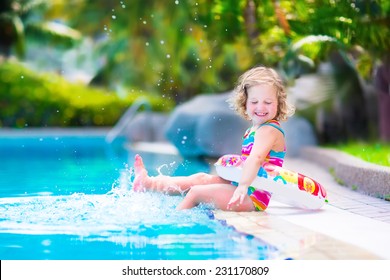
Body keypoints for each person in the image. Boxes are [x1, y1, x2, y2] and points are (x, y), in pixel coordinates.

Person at [132, 66, 295, 211]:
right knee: (199, 179)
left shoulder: (269, 130)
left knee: (196, 192)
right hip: (243, 185)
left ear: (279, 104)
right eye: (254, 101)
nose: (260, 107)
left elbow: (256, 158)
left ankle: (174, 225)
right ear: (245, 103)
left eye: (267, 102)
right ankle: (148, 183)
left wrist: (242, 186)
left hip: (253, 196)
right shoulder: (254, 129)